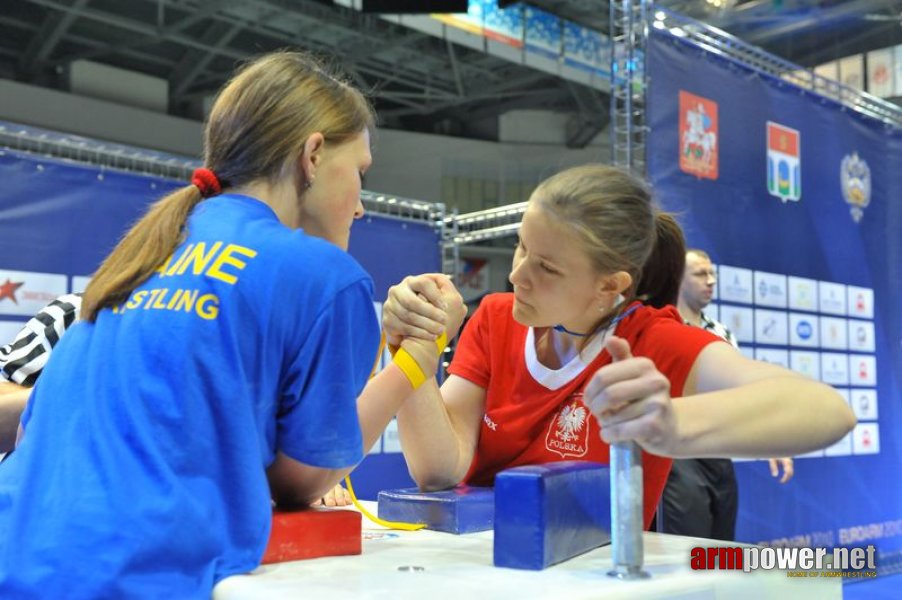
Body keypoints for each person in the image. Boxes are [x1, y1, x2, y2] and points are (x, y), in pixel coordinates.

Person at [0, 51, 438, 598]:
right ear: (314, 154)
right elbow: (301, 482)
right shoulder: (327, 278)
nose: (361, 206)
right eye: (361, 174)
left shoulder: (139, 256)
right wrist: (413, 364)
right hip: (122, 580)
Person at [382, 164, 855, 528]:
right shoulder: (496, 318)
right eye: (521, 247)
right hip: (484, 573)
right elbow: (440, 470)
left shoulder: (652, 339)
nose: (516, 275)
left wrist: (673, 425)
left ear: (610, 285)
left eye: (546, 267)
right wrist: (419, 344)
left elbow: (830, 410)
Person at [0, 293, 352, 502]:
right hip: (47, 535)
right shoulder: (83, 311)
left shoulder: (235, 350)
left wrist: (296, 490)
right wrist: (85, 394)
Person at [658, 249, 793, 541]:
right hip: (677, 455)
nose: (710, 281)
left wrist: (770, 441)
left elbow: (741, 396)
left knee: (721, 548)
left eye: (712, 274)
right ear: (678, 280)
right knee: (688, 552)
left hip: (718, 454)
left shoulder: (721, 334)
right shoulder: (660, 330)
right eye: (700, 274)